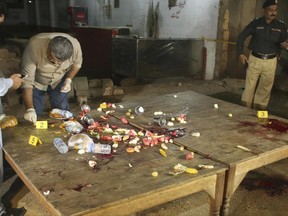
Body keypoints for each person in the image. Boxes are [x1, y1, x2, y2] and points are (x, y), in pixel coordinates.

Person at [237, 0, 288, 110]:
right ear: (264, 10)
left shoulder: (281, 26)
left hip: (271, 62)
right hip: (255, 60)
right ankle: (243, 113)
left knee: (265, 90)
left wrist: (284, 47)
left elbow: (284, 43)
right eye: (270, 10)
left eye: (275, 10)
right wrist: (241, 54)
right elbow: (241, 38)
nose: (273, 12)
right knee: (249, 88)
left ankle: (258, 114)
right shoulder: (255, 23)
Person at [21, 33, 83, 123]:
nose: (58, 64)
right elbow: (26, 81)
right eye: (55, 60)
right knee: (35, 113)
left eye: (61, 62)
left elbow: (77, 65)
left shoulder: (76, 45)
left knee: (62, 112)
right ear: (49, 50)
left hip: (58, 80)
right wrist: (30, 109)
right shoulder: (34, 48)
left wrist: (68, 80)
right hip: (36, 81)